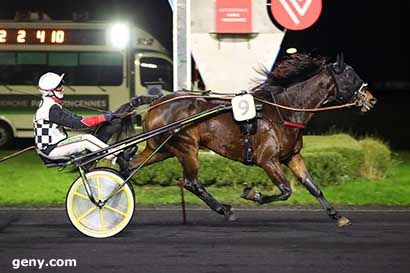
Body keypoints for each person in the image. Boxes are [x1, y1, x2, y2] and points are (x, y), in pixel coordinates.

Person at [33, 72, 138, 170]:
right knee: (86, 140)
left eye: (61, 85)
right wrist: (103, 118)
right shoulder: (51, 108)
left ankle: (117, 156)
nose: (63, 89)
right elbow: (76, 124)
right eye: (59, 87)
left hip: (55, 145)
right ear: (50, 92)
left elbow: (75, 118)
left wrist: (101, 118)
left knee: (86, 138)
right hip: (51, 150)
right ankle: (119, 158)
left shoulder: (52, 104)